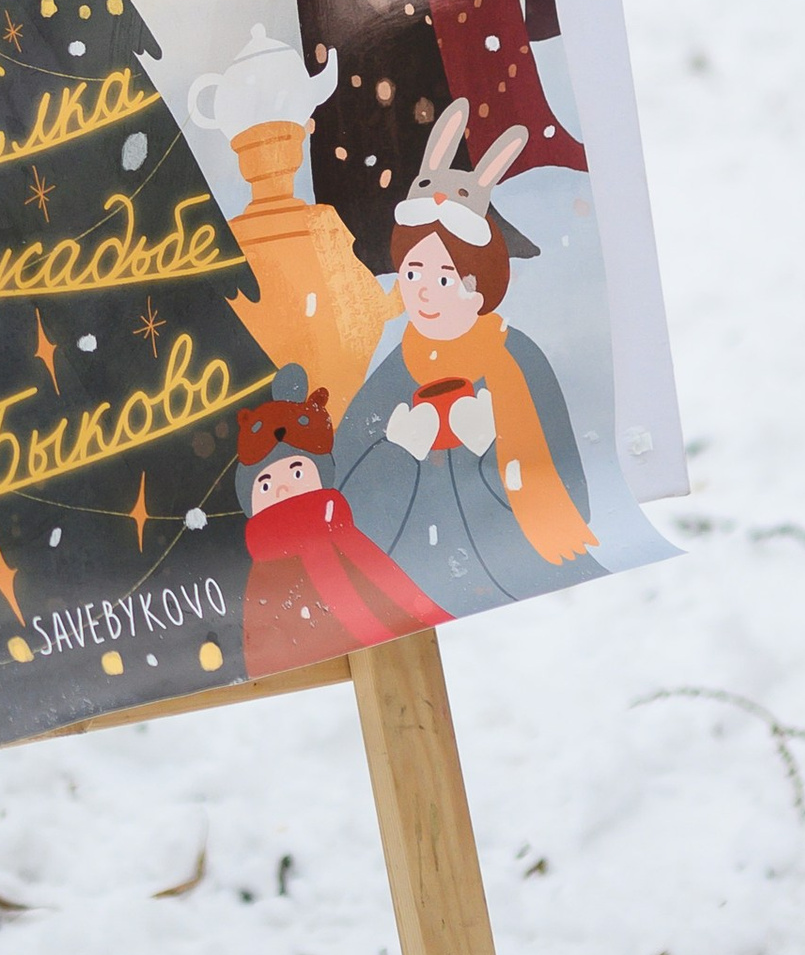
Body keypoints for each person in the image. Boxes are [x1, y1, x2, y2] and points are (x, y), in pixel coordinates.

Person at [330, 104, 602, 611]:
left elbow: (569, 481)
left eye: (443, 278)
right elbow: (346, 473)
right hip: (418, 573)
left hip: (519, 562)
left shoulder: (517, 359)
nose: (422, 292)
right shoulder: (396, 371)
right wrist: (400, 450)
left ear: (478, 289)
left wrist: (484, 453)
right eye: (412, 273)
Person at [236, 367, 444, 680]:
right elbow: (264, 643)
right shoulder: (268, 568)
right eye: (265, 484)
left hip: (382, 649)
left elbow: (391, 589)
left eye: (296, 472)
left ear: (320, 474)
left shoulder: (342, 534)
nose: (282, 488)